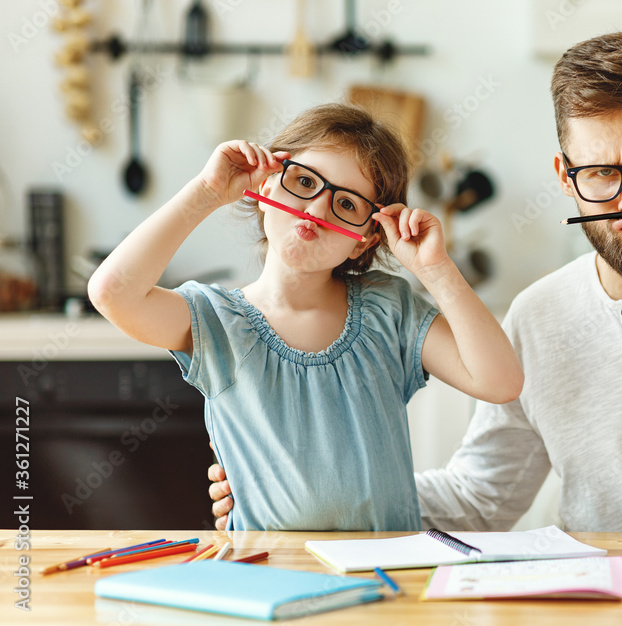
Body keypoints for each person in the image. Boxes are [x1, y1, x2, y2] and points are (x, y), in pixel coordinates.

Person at [210, 32, 622, 546]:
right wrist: (304, 492)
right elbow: (481, 499)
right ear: (566, 178)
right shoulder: (540, 315)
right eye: (602, 173)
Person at [88, 103, 523, 531]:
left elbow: (500, 382)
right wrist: (206, 193)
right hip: (266, 571)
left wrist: (436, 270)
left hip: (388, 573)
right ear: (266, 188)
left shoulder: (390, 310)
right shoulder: (215, 320)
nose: (316, 210)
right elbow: (112, 293)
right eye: (303, 182)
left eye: (348, 205)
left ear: (363, 242)